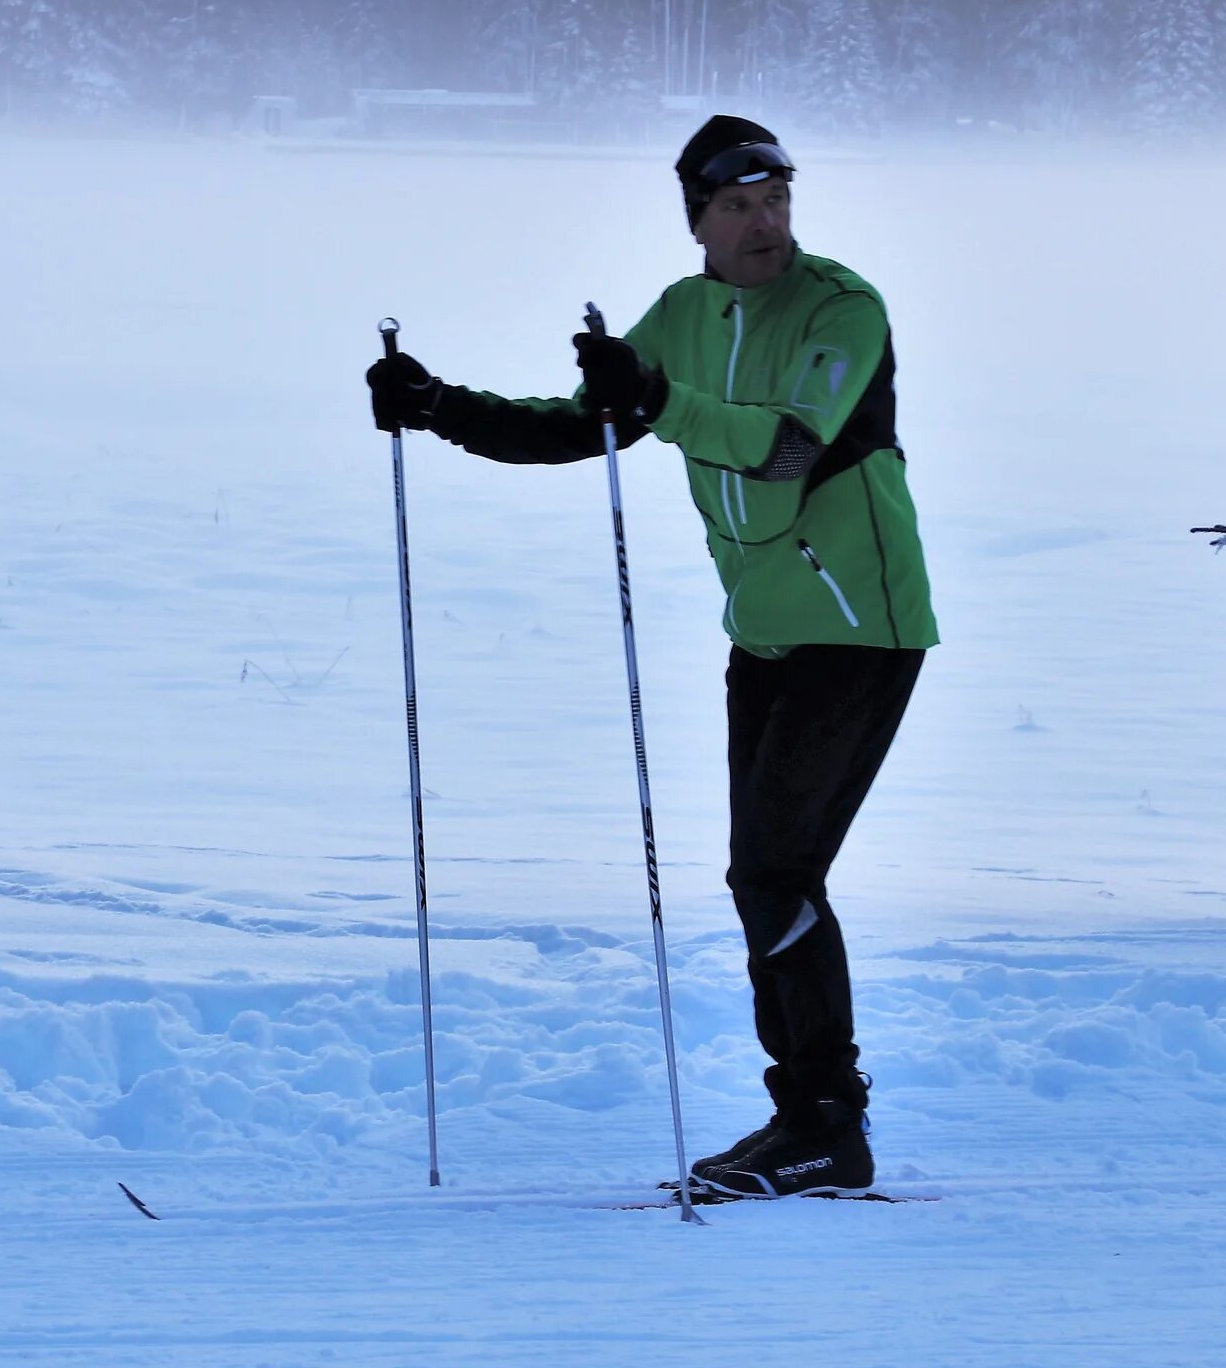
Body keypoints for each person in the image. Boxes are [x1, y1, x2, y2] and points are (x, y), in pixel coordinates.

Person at [364, 114, 936, 1197]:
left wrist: (662, 397)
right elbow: (587, 425)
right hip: (762, 628)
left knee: (776, 868)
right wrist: (439, 409)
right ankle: (806, 1119)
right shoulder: (685, 311)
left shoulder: (841, 307)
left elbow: (790, 444)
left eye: (777, 200)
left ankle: (826, 1123)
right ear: (699, 219)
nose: (764, 222)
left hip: (864, 623)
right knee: (764, 871)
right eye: (739, 206)